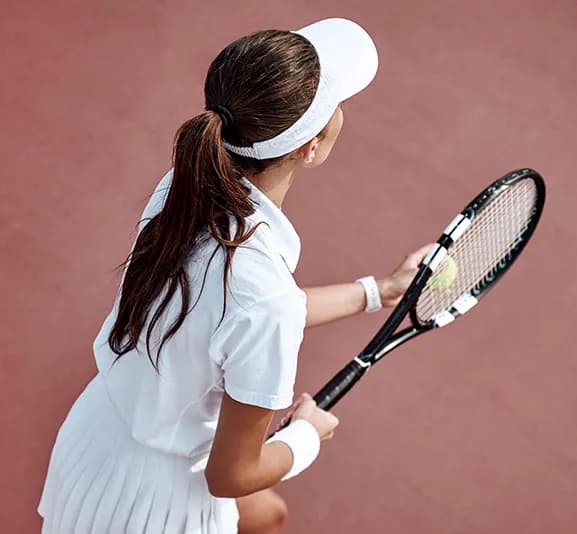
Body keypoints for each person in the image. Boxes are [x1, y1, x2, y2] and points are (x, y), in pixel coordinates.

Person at [38, 18, 426, 533]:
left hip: (94, 442)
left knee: (268, 515)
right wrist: (306, 435)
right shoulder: (264, 299)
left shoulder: (183, 184)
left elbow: (242, 312)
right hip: (157, 507)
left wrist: (380, 291)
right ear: (309, 148)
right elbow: (232, 473)